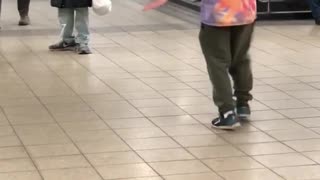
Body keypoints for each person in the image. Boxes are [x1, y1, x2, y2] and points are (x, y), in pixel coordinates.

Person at [144, 0, 256, 130]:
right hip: (246, 11)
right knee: (240, 58)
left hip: (218, 14)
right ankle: (243, 104)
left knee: (217, 62)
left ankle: (227, 113)